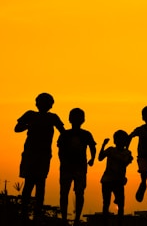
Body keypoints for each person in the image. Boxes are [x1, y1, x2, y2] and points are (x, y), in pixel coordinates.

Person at [14, 93, 65, 223]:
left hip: (43, 155)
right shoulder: (30, 115)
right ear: (37, 103)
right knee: (30, 184)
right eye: (42, 102)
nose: (44, 105)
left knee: (40, 184)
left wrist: (61, 141)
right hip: (31, 154)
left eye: (46, 103)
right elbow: (17, 128)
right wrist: (29, 126)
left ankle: (37, 214)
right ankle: (25, 213)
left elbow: (63, 132)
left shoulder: (53, 117)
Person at [57, 108, 96, 226]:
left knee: (78, 193)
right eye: (75, 117)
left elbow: (92, 147)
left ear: (83, 119)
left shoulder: (85, 134)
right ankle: (65, 219)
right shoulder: (65, 134)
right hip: (68, 167)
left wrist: (92, 159)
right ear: (69, 119)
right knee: (65, 193)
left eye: (79, 117)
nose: (76, 119)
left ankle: (76, 219)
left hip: (79, 167)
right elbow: (60, 150)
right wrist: (63, 161)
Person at [99, 130, 133, 225]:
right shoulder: (111, 150)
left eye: (122, 140)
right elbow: (100, 158)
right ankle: (106, 222)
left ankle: (118, 223)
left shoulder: (127, 153)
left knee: (120, 205)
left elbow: (125, 163)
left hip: (117, 181)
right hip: (108, 180)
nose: (120, 142)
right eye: (118, 139)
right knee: (107, 203)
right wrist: (103, 145)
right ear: (115, 141)